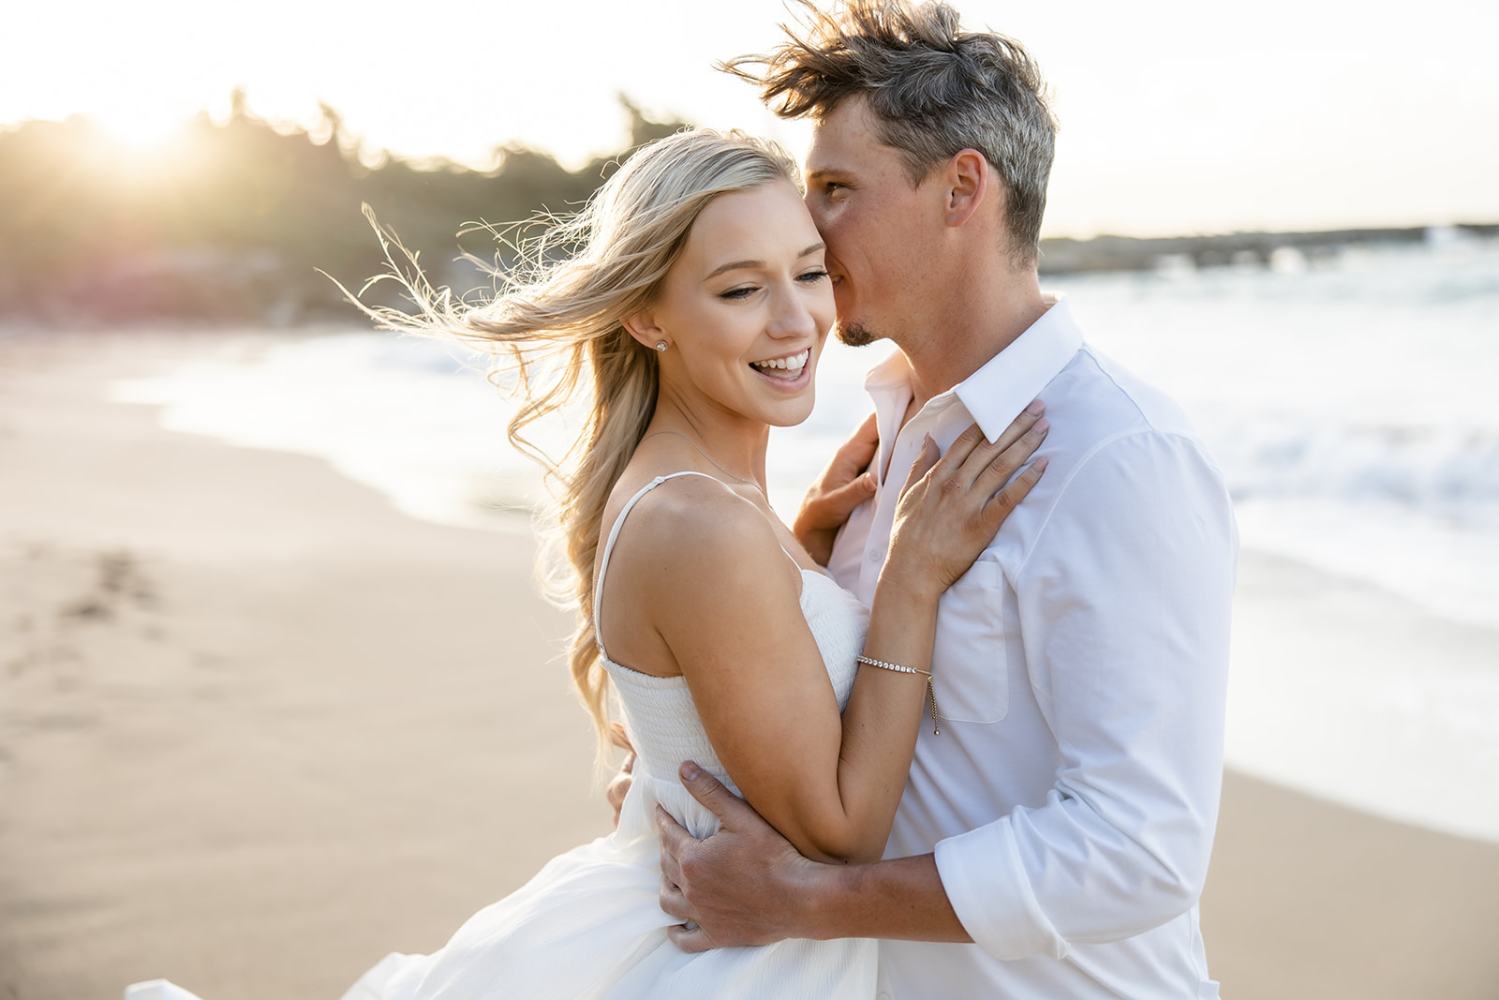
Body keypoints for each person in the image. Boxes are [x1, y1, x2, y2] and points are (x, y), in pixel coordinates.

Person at [122, 126, 1051, 1000]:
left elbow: (712, 679)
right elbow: (840, 832)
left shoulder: (706, 497)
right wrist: (907, 582)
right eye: (738, 290)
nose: (794, 320)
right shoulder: (699, 522)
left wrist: (802, 559)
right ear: (648, 317)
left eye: (809, 273)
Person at [632, 2, 1240, 998]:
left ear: (960, 189)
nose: (806, 227)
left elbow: (1142, 850)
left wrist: (808, 899)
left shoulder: (1119, 457)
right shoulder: (881, 441)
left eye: (835, 190)